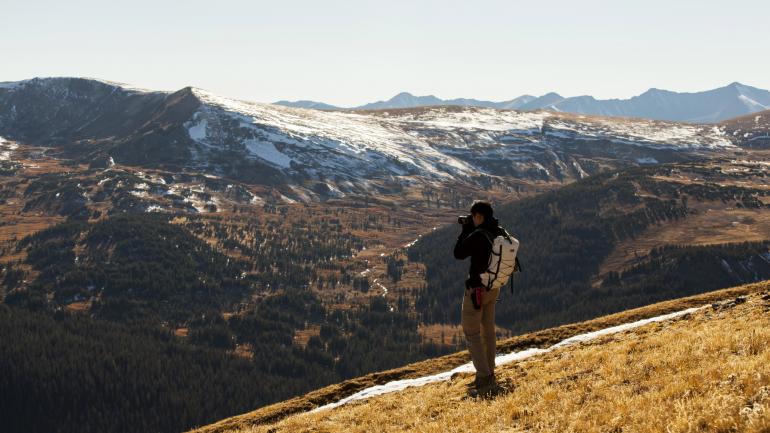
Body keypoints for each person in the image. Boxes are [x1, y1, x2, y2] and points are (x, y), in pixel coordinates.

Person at [453, 200, 505, 397]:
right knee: (488, 332)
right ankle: (489, 371)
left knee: (472, 332)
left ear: (479, 216)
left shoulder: (478, 235)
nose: (471, 219)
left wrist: (465, 230)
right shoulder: (498, 231)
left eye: (472, 216)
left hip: (476, 291)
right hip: (493, 288)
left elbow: (458, 253)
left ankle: (484, 377)